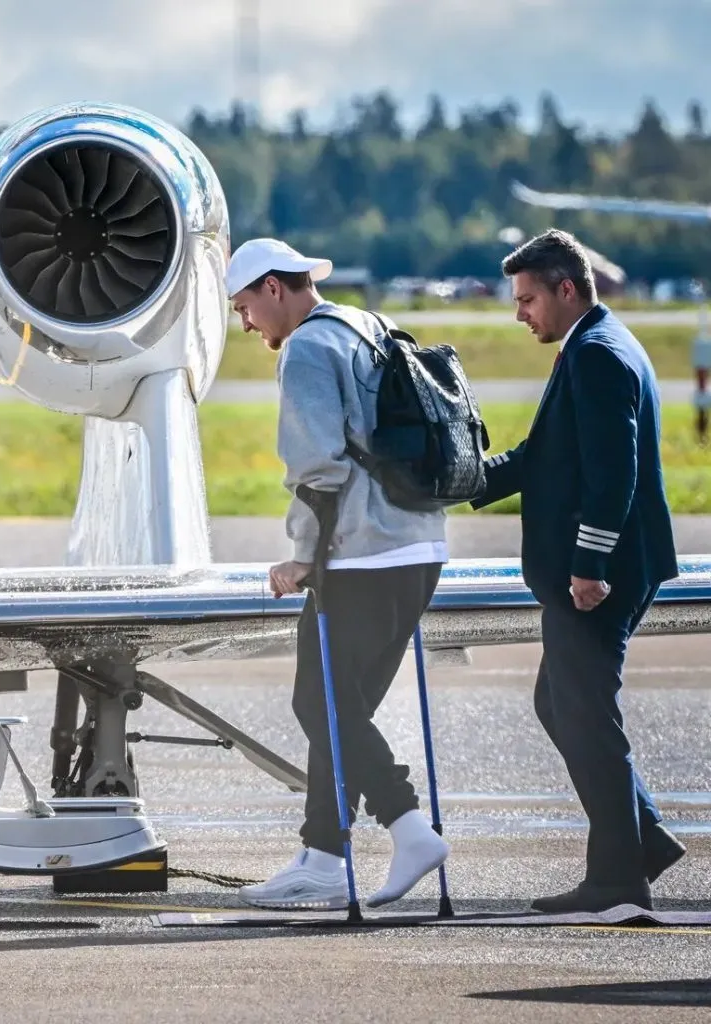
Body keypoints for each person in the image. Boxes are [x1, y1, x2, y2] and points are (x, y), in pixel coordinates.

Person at [225, 237, 450, 910]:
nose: (246, 324)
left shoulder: (307, 348)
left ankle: (408, 827)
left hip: (362, 555)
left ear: (273, 287)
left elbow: (317, 467)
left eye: (243, 307)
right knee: (342, 710)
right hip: (419, 548)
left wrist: (302, 554)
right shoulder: (368, 325)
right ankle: (323, 855)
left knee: (318, 703)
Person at [472, 228, 685, 913]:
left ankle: (619, 876)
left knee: (585, 712)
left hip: (602, 572)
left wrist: (590, 563)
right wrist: (464, 479)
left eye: (527, 299)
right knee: (560, 702)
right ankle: (643, 838)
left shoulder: (596, 354)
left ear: (567, 289)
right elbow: (546, 454)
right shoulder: (596, 342)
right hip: (611, 563)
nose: (519, 313)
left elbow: (613, 470)